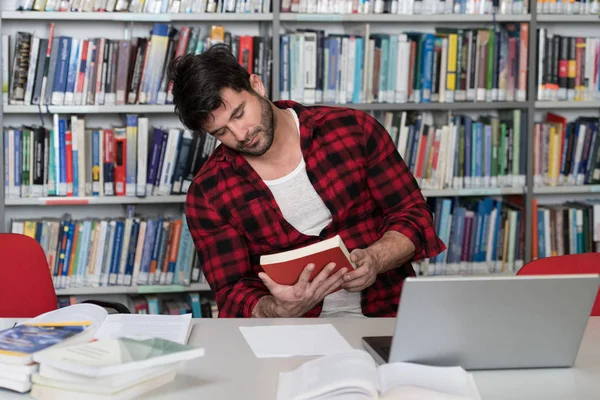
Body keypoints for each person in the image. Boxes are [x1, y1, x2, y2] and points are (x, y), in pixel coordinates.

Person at [168, 44, 446, 318]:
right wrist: (276, 310)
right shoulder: (208, 193)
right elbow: (232, 289)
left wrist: (376, 259)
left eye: (239, 114)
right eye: (221, 132)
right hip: (292, 334)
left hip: (388, 312)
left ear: (257, 85)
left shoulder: (353, 130)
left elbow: (412, 214)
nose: (240, 134)